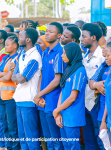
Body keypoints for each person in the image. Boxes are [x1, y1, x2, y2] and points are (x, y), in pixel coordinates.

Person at [34, 22, 65, 150]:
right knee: (48, 138)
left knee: (56, 140)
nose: (47, 33)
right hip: (43, 101)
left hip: (53, 101)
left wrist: (39, 94)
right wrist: (40, 96)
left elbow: (57, 80)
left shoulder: (60, 52)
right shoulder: (45, 51)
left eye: (51, 32)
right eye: (46, 31)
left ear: (59, 35)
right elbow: (41, 75)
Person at [12, 28, 42, 150]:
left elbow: (22, 78)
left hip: (29, 100)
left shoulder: (34, 56)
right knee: (23, 136)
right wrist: (18, 76)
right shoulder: (22, 55)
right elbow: (14, 76)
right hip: (19, 98)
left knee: (31, 136)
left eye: (20, 36)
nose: (18, 38)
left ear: (28, 39)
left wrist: (18, 76)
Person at [53, 42, 87, 150]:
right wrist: (57, 112)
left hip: (73, 117)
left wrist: (57, 110)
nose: (62, 55)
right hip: (63, 114)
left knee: (73, 146)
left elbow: (72, 97)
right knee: (66, 146)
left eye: (64, 53)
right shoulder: (69, 68)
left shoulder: (80, 71)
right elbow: (62, 92)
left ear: (72, 53)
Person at [0, 35, 20, 150]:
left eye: (8, 45)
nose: (5, 47)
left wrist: (1, 75)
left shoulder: (17, 58)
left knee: (13, 126)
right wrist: (4, 75)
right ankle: (8, 147)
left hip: (11, 97)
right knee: (5, 125)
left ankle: (15, 147)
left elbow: (9, 77)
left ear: (15, 45)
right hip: (2, 97)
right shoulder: (5, 58)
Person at [81, 23, 105, 150]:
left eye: (84, 36)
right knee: (89, 140)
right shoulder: (84, 57)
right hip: (84, 103)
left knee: (100, 139)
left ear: (93, 37)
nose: (81, 39)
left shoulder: (102, 56)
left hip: (97, 104)